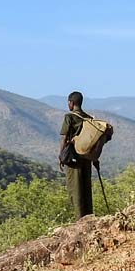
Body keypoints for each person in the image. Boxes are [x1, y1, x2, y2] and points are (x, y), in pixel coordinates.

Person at [60, 91, 95, 219]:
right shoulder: (89, 119)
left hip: (73, 159)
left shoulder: (69, 117)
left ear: (71, 103)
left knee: (75, 189)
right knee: (86, 189)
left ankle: (80, 219)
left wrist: (61, 156)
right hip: (86, 158)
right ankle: (89, 217)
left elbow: (64, 138)